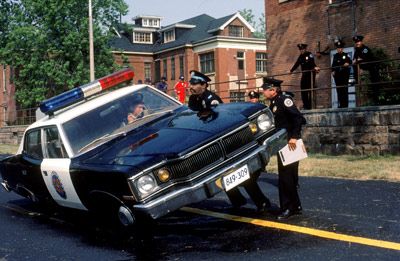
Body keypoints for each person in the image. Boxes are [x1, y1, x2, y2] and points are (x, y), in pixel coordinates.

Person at [188, 70, 271, 212]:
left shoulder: (211, 99)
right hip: (212, 144)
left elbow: (218, 122)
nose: (192, 86)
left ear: (204, 84)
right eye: (191, 83)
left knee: (241, 175)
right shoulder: (196, 98)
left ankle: (262, 202)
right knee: (223, 175)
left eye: (194, 84)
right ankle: (237, 199)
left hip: (224, 143)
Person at [262, 77, 306, 220]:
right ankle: (296, 206)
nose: (263, 91)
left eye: (265, 89)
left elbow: (298, 118)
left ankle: (288, 208)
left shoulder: (284, 100)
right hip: (283, 143)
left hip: (290, 143)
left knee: (287, 177)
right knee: (288, 177)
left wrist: (294, 136)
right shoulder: (273, 103)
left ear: (273, 90)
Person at [290, 44, 320, 110]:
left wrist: (315, 67)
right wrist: (291, 70)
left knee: (310, 90)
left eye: (302, 49)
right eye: (300, 50)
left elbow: (312, 63)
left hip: (310, 74)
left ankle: (310, 106)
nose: (301, 51)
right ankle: (306, 106)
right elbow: (296, 64)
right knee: (303, 90)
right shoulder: (300, 56)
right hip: (304, 75)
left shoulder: (309, 54)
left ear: (305, 49)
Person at [352, 35, 380, 105]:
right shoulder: (357, 50)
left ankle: (375, 102)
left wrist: (358, 60)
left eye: (358, 42)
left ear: (361, 42)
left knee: (372, 86)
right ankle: (362, 104)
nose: (357, 43)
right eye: (356, 42)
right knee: (361, 88)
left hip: (371, 70)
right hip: (361, 72)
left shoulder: (365, 49)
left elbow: (363, 59)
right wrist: (357, 60)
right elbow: (354, 60)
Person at [331, 40, 352, 108]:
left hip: (344, 75)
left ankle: (345, 105)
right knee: (339, 90)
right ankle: (340, 104)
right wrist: (333, 71)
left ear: (342, 48)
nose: (339, 49)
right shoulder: (335, 56)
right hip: (337, 76)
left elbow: (350, 61)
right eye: (337, 48)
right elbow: (333, 65)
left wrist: (347, 63)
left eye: (340, 48)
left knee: (344, 90)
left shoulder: (346, 55)